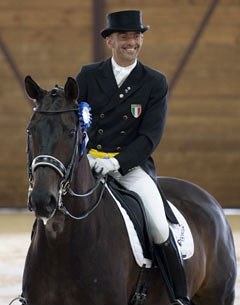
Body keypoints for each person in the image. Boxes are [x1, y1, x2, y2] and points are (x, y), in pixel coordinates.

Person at [76, 10, 190, 305]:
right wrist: (85, 156)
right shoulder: (88, 75)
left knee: (158, 225)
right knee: (51, 215)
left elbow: (150, 137)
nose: (132, 42)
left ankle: (178, 295)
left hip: (130, 167)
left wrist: (115, 162)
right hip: (88, 165)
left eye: (137, 36)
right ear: (110, 41)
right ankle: (30, 291)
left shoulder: (154, 82)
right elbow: (75, 122)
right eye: (124, 36)